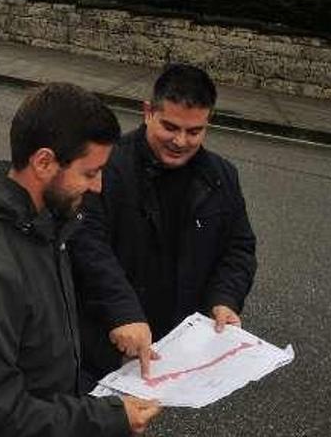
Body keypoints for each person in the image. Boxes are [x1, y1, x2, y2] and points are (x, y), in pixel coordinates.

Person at [0, 83, 161, 436]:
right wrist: (110, 418)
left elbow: (49, 352)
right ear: (43, 162)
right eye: (89, 173)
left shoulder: (49, 227)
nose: (98, 186)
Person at [71, 63, 258, 386]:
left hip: (173, 347)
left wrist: (224, 300)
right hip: (106, 340)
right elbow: (87, 245)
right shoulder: (107, 166)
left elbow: (238, 248)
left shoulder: (222, 176)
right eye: (170, 127)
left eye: (194, 131)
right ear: (148, 112)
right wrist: (124, 312)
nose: (181, 141)